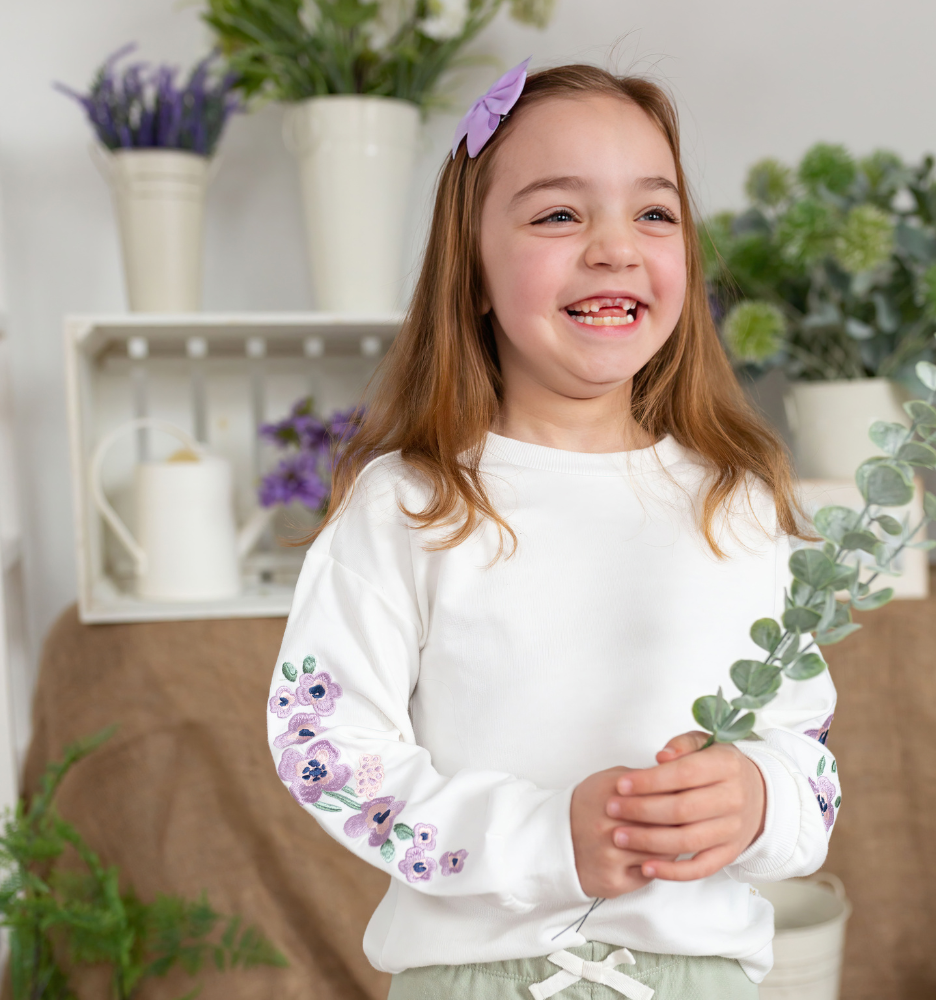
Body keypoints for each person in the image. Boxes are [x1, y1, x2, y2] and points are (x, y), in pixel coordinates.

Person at [266, 60, 840, 1000]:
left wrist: (759, 800)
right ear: (475, 273)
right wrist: (544, 840)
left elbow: (809, 767)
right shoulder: (409, 505)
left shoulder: (740, 503)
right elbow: (323, 745)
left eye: (655, 214)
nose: (616, 247)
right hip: (478, 980)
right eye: (559, 214)